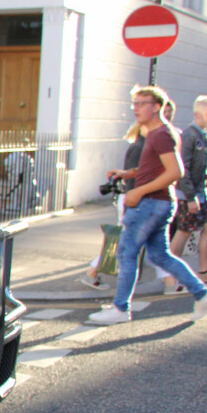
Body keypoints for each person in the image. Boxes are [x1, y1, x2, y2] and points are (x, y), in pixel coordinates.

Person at [88, 85, 207, 324]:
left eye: (142, 103)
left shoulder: (160, 135)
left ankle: (120, 309)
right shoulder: (160, 133)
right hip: (158, 203)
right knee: (161, 256)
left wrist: (139, 191)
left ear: (157, 106)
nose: (136, 109)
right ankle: (202, 295)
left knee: (127, 253)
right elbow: (158, 168)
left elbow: (176, 171)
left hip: (149, 205)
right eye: (134, 104)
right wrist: (129, 173)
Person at [78, 118, 175, 291]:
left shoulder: (143, 146)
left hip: (137, 199)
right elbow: (139, 178)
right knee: (128, 241)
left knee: (142, 241)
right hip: (136, 200)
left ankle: (170, 282)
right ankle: (169, 282)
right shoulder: (141, 148)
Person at [167, 95, 207, 286]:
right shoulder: (189, 136)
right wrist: (190, 197)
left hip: (201, 192)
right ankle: (170, 275)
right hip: (188, 195)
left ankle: (204, 270)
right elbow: (184, 170)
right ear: (197, 113)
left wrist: (204, 192)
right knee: (184, 231)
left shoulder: (203, 134)